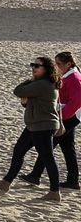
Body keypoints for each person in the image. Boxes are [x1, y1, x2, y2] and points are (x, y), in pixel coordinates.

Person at [0, 56, 63, 201]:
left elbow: (17, 90)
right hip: (34, 125)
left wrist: (30, 81)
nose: (33, 68)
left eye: (37, 66)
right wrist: (27, 100)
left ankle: (55, 192)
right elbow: (29, 102)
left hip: (43, 126)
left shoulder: (42, 84)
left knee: (47, 158)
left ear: (46, 69)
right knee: (19, 150)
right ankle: (6, 182)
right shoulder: (41, 84)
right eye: (32, 65)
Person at [24, 50, 80, 189]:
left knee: (48, 144)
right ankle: (73, 180)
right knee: (67, 147)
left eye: (59, 64)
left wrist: (62, 117)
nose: (56, 66)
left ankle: (35, 175)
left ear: (69, 64)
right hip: (66, 114)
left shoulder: (74, 77)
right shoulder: (67, 74)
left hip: (70, 116)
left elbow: (77, 101)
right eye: (55, 63)